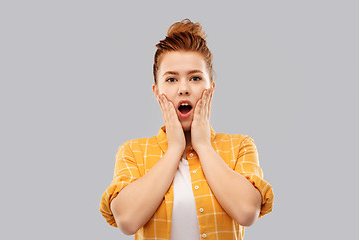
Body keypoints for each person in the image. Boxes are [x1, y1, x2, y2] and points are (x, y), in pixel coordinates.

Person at [99, 18, 274, 240]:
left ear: (211, 87)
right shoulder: (132, 151)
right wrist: (174, 149)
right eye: (171, 79)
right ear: (156, 90)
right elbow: (126, 220)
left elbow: (247, 212)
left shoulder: (239, 146)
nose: (183, 89)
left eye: (195, 78)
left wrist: (203, 146)